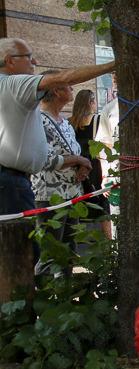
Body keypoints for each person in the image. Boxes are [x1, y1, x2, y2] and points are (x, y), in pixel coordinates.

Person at [0, 37, 113, 227]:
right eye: (28, 57)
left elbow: (43, 154)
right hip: (25, 187)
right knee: (27, 249)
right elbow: (64, 77)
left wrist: (79, 160)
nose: (35, 62)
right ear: (10, 61)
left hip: (30, 184)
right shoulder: (13, 85)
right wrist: (113, 65)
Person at [32, 71, 88, 266]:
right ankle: (46, 294)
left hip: (72, 192)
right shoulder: (38, 120)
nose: (72, 89)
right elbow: (44, 159)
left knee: (68, 250)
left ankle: (66, 291)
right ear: (56, 91)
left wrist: (83, 165)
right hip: (49, 195)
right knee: (49, 252)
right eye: (68, 86)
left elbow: (73, 153)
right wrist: (79, 159)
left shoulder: (65, 122)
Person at [69, 89, 113, 240]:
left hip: (76, 167)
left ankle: (76, 238)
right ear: (91, 102)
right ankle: (109, 240)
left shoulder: (70, 122)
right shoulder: (98, 120)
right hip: (95, 166)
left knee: (78, 203)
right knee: (103, 206)